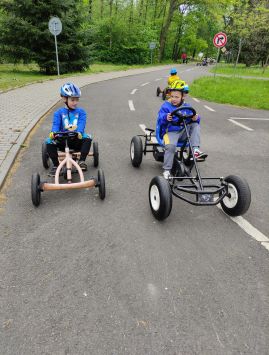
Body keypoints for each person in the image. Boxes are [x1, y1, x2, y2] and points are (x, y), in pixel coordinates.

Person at [156, 80, 206, 179]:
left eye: (176, 97)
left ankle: (195, 150)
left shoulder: (187, 107)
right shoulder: (166, 106)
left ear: (183, 96)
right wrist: (166, 117)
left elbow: (195, 117)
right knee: (170, 147)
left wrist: (196, 118)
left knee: (195, 125)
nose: (173, 99)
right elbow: (160, 119)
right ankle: (167, 170)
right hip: (170, 132)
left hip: (183, 132)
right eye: (172, 96)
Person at [46, 82, 92, 176]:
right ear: (64, 98)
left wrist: (79, 131)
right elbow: (56, 124)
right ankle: (56, 165)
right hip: (62, 140)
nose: (75, 102)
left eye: (77, 100)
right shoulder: (58, 113)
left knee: (88, 137)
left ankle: (82, 161)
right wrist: (53, 132)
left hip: (76, 139)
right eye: (72, 100)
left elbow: (81, 124)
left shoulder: (81, 112)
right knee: (48, 141)